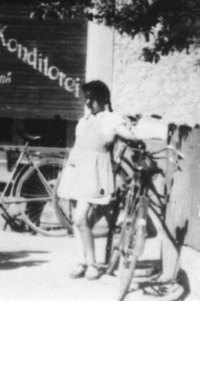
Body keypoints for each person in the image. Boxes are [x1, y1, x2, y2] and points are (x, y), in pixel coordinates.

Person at [56, 79, 140, 280]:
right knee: (77, 220)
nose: (88, 103)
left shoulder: (111, 119)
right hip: (77, 171)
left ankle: (92, 264)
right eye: (86, 98)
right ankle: (82, 262)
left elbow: (126, 135)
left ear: (103, 99)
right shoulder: (83, 121)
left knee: (79, 218)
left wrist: (136, 136)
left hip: (95, 174)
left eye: (92, 99)